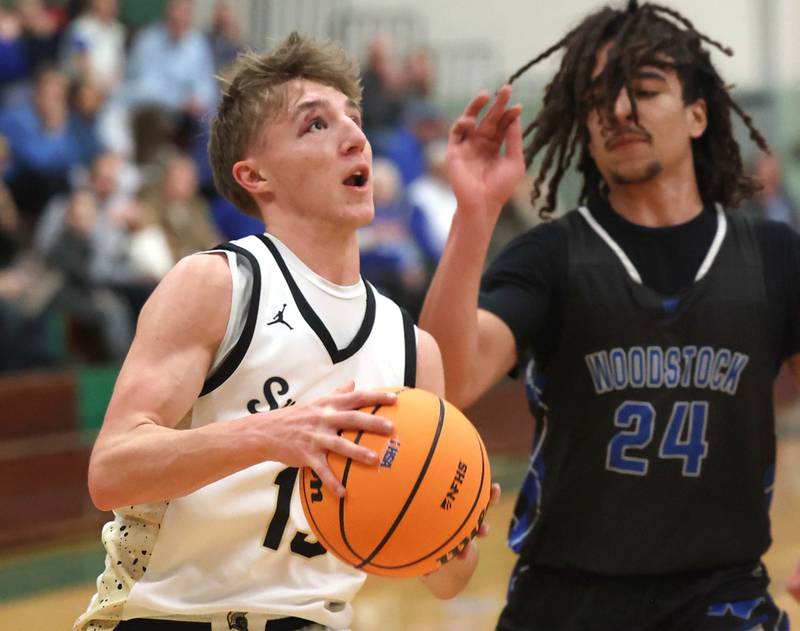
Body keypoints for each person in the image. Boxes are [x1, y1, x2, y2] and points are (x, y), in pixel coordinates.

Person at [75, 32, 496, 631]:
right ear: (255, 175)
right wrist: (272, 433)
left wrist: (451, 523)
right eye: (316, 126)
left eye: (355, 119)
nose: (355, 136)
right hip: (168, 618)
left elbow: (447, 580)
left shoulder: (411, 350)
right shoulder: (217, 286)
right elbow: (112, 470)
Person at [420, 2, 799, 629]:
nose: (619, 110)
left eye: (645, 91)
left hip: (723, 601)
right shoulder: (552, 257)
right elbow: (445, 384)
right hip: (566, 603)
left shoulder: (773, 257)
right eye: (599, 97)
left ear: (699, 114)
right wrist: (475, 214)